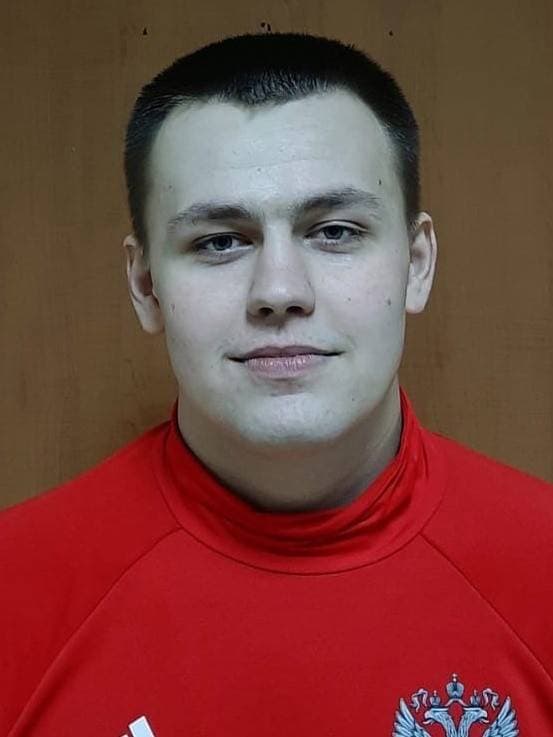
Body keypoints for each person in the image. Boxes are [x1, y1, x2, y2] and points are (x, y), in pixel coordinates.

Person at [1, 31, 552, 737]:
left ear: (416, 265)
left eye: (335, 231)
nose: (280, 291)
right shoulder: (15, 590)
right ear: (145, 285)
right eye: (219, 241)